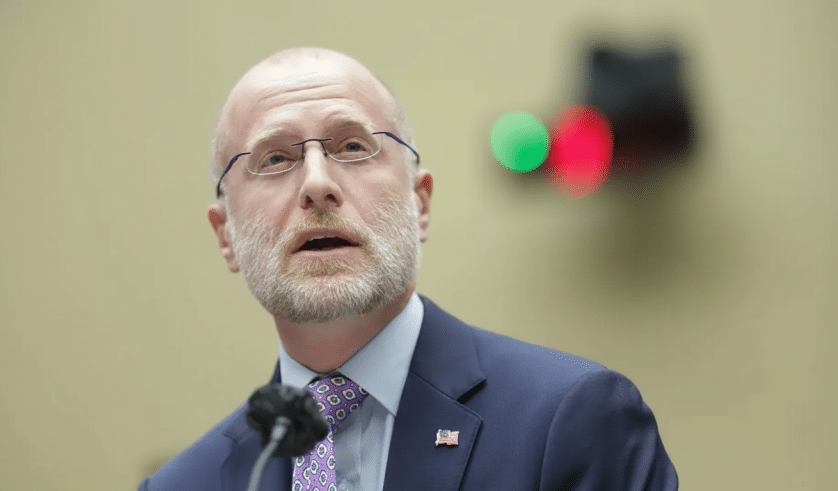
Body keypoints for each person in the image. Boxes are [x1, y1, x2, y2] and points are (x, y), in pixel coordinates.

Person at [138, 47, 678, 491]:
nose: (316, 183)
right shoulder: (184, 485)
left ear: (420, 204)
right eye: (275, 159)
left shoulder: (571, 420)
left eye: (351, 146)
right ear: (225, 234)